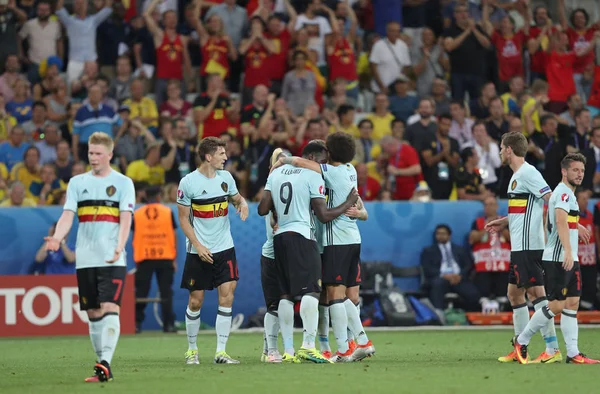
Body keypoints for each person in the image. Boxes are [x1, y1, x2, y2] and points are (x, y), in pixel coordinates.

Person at [44, 131, 135, 382]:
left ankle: (105, 362)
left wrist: (120, 245)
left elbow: (126, 218)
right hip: (85, 258)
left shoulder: (124, 183)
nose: (92, 158)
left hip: (112, 257)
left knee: (110, 306)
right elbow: (67, 216)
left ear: (109, 154)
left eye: (97, 153)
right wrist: (58, 237)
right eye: (90, 153)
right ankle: (102, 365)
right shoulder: (76, 182)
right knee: (93, 312)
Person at [273, 133, 373, 362]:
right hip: (353, 239)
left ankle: (343, 349)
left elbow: (301, 162)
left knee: (334, 296)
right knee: (346, 296)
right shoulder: (351, 170)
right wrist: (361, 212)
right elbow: (359, 204)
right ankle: (362, 341)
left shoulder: (329, 172)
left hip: (334, 241)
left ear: (329, 153)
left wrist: (283, 160)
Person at [513, 153, 599, 365]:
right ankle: (521, 340)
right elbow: (560, 221)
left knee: (572, 304)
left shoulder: (567, 194)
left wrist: (575, 227)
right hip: (559, 258)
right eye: (575, 170)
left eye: (581, 171)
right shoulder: (562, 194)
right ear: (564, 171)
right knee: (557, 305)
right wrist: (569, 251)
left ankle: (573, 352)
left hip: (569, 257)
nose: (579, 174)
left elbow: (561, 220)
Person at [485, 132, 558, 364]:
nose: (499, 152)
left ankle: (552, 348)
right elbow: (524, 209)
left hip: (529, 246)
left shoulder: (529, 172)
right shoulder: (517, 176)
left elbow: (552, 199)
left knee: (537, 294)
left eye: (500, 147)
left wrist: (563, 229)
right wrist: (504, 220)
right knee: (514, 294)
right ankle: (520, 348)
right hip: (520, 245)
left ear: (508, 149)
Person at [177, 137, 249, 365]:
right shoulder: (188, 183)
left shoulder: (226, 178)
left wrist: (243, 204)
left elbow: (237, 199)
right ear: (208, 157)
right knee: (196, 301)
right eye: (221, 154)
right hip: (199, 250)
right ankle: (191, 350)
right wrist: (198, 246)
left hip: (224, 247)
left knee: (226, 297)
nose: (225, 157)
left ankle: (221, 352)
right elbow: (183, 220)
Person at [131, 186, 177, 334]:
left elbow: (134, 235)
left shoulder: (137, 214)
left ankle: (136, 324)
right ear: (159, 196)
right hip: (164, 257)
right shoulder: (167, 212)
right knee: (166, 293)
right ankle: (168, 325)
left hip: (144, 257)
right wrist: (173, 258)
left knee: (141, 292)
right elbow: (173, 235)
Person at [259, 148, 288, 363]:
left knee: (287, 302)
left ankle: (269, 346)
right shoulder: (270, 191)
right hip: (273, 255)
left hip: (291, 254)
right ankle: (271, 349)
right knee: (275, 305)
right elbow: (272, 225)